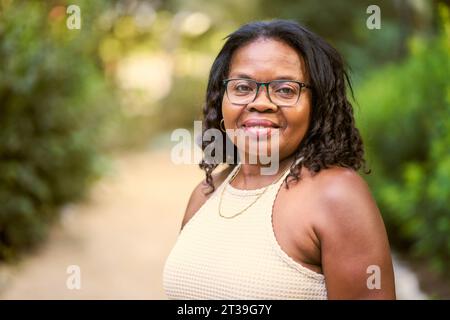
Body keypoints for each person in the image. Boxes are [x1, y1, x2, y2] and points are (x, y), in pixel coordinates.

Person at [163, 19, 396, 299]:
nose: (260, 102)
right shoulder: (204, 195)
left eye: (285, 89)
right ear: (221, 97)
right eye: (242, 87)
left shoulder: (336, 195)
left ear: (317, 105)